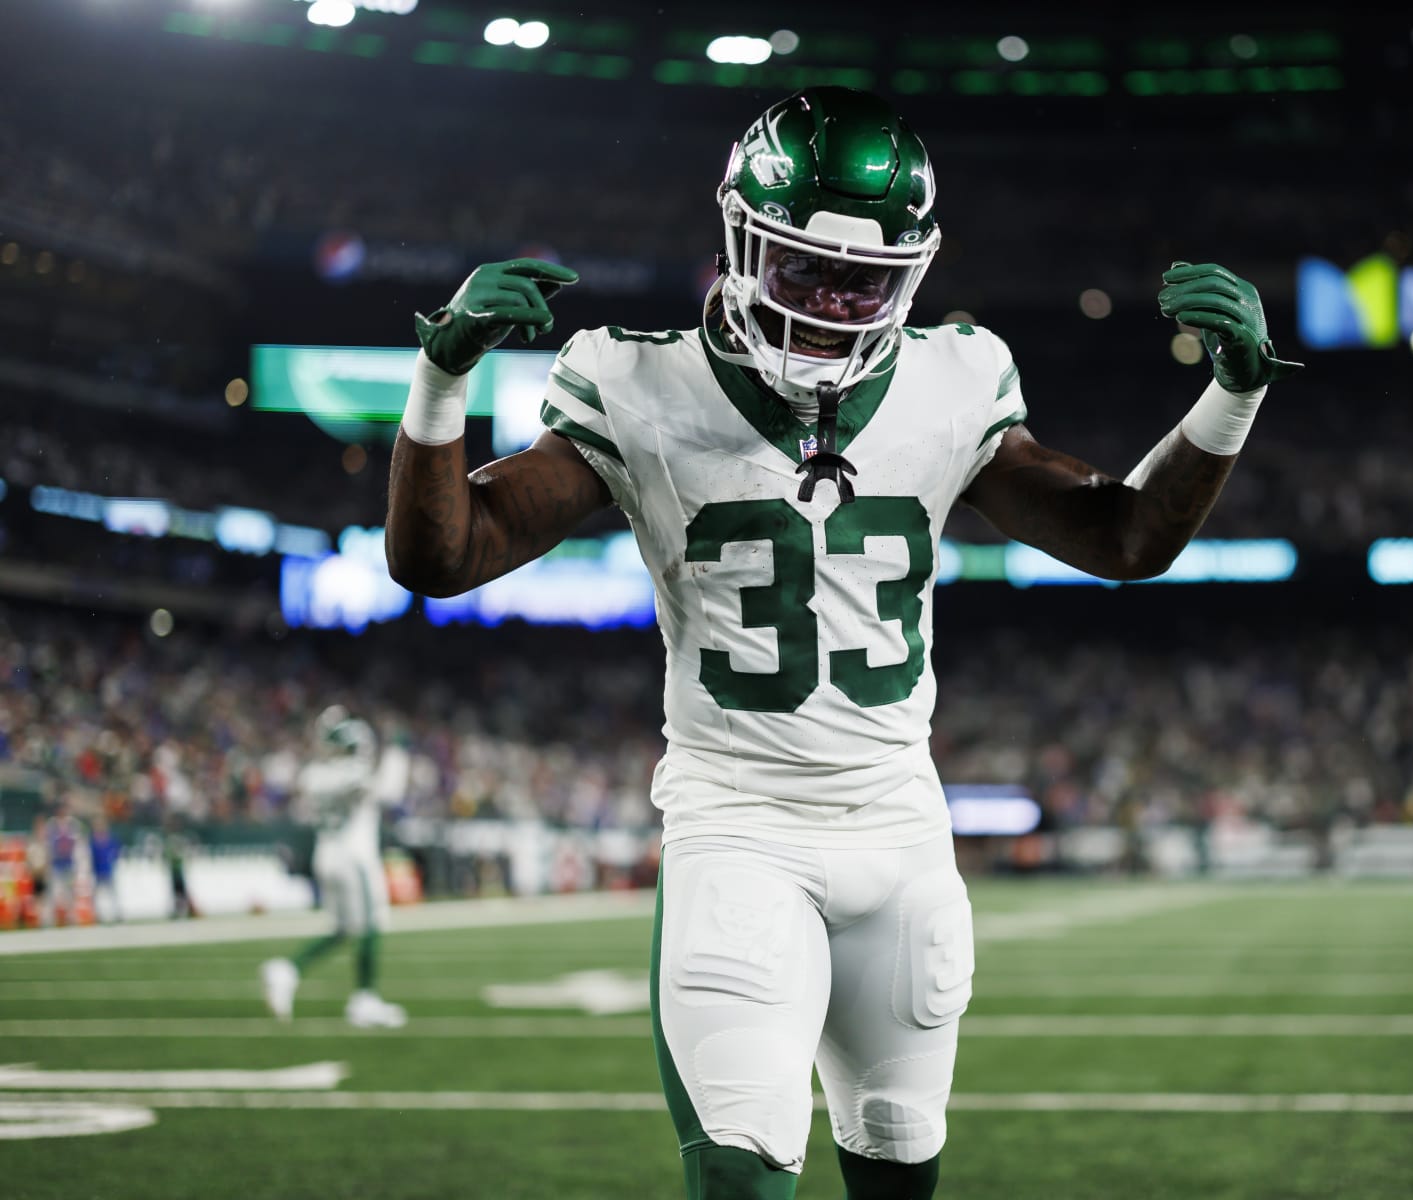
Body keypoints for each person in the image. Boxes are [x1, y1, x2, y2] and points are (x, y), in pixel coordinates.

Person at [384, 86, 1298, 1199]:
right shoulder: (635, 379)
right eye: (802, 270)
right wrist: (440, 384)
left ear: (910, 275)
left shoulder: (954, 380)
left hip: (901, 834)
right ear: (738, 244)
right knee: (743, 1170)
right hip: (740, 825)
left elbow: (1126, 537)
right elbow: (444, 558)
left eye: (862, 280)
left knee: (900, 1164)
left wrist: (1234, 398)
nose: (830, 304)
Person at [260, 707, 407, 1029]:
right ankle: (365, 999)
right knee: (371, 926)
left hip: (326, 855)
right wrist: (397, 753)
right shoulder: (351, 773)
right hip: (354, 857)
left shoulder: (315, 774)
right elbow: (391, 792)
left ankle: (288, 970)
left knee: (344, 929)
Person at [43, 804, 85, 927]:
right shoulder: (52, 826)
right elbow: (49, 846)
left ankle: (71, 917)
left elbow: (78, 843)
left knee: (70, 893)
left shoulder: (73, 825)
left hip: (68, 863)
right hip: (57, 864)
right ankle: (49, 919)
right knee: (53, 892)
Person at [89, 815, 123, 925]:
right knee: (97, 895)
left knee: (112, 893)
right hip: (98, 871)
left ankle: (117, 914)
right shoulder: (93, 840)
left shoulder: (110, 838)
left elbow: (116, 852)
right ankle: (98, 915)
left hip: (108, 870)